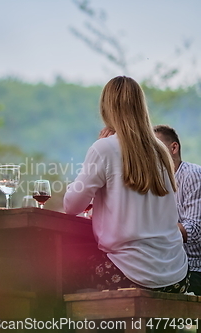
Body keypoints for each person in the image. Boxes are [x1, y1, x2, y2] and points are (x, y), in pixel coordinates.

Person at [64, 76, 189, 293]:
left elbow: (71, 206)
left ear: (106, 108)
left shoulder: (104, 148)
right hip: (176, 276)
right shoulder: (161, 151)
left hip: (130, 274)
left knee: (62, 271)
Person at [154, 125, 201, 295]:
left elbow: (195, 230)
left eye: (156, 148)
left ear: (173, 148)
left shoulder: (192, 175)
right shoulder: (155, 183)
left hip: (193, 269)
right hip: (170, 267)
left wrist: (150, 229)